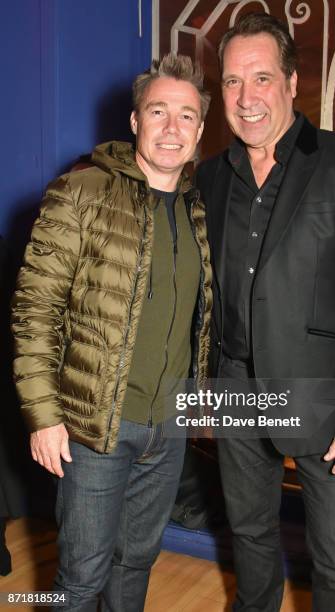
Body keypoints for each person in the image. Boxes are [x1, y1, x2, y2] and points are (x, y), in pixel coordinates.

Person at [195, 13, 335, 612]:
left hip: (327, 394)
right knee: (250, 532)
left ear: (291, 83)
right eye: (232, 82)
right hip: (235, 385)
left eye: (261, 78)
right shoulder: (211, 177)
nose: (246, 96)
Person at [11, 53, 212, 611]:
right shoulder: (81, 191)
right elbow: (35, 309)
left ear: (200, 130)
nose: (172, 129)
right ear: (134, 121)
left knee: (135, 566)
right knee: (80, 578)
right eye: (158, 112)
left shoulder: (198, 210)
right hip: (94, 425)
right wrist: (44, 417)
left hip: (166, 429)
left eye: (187, 117)